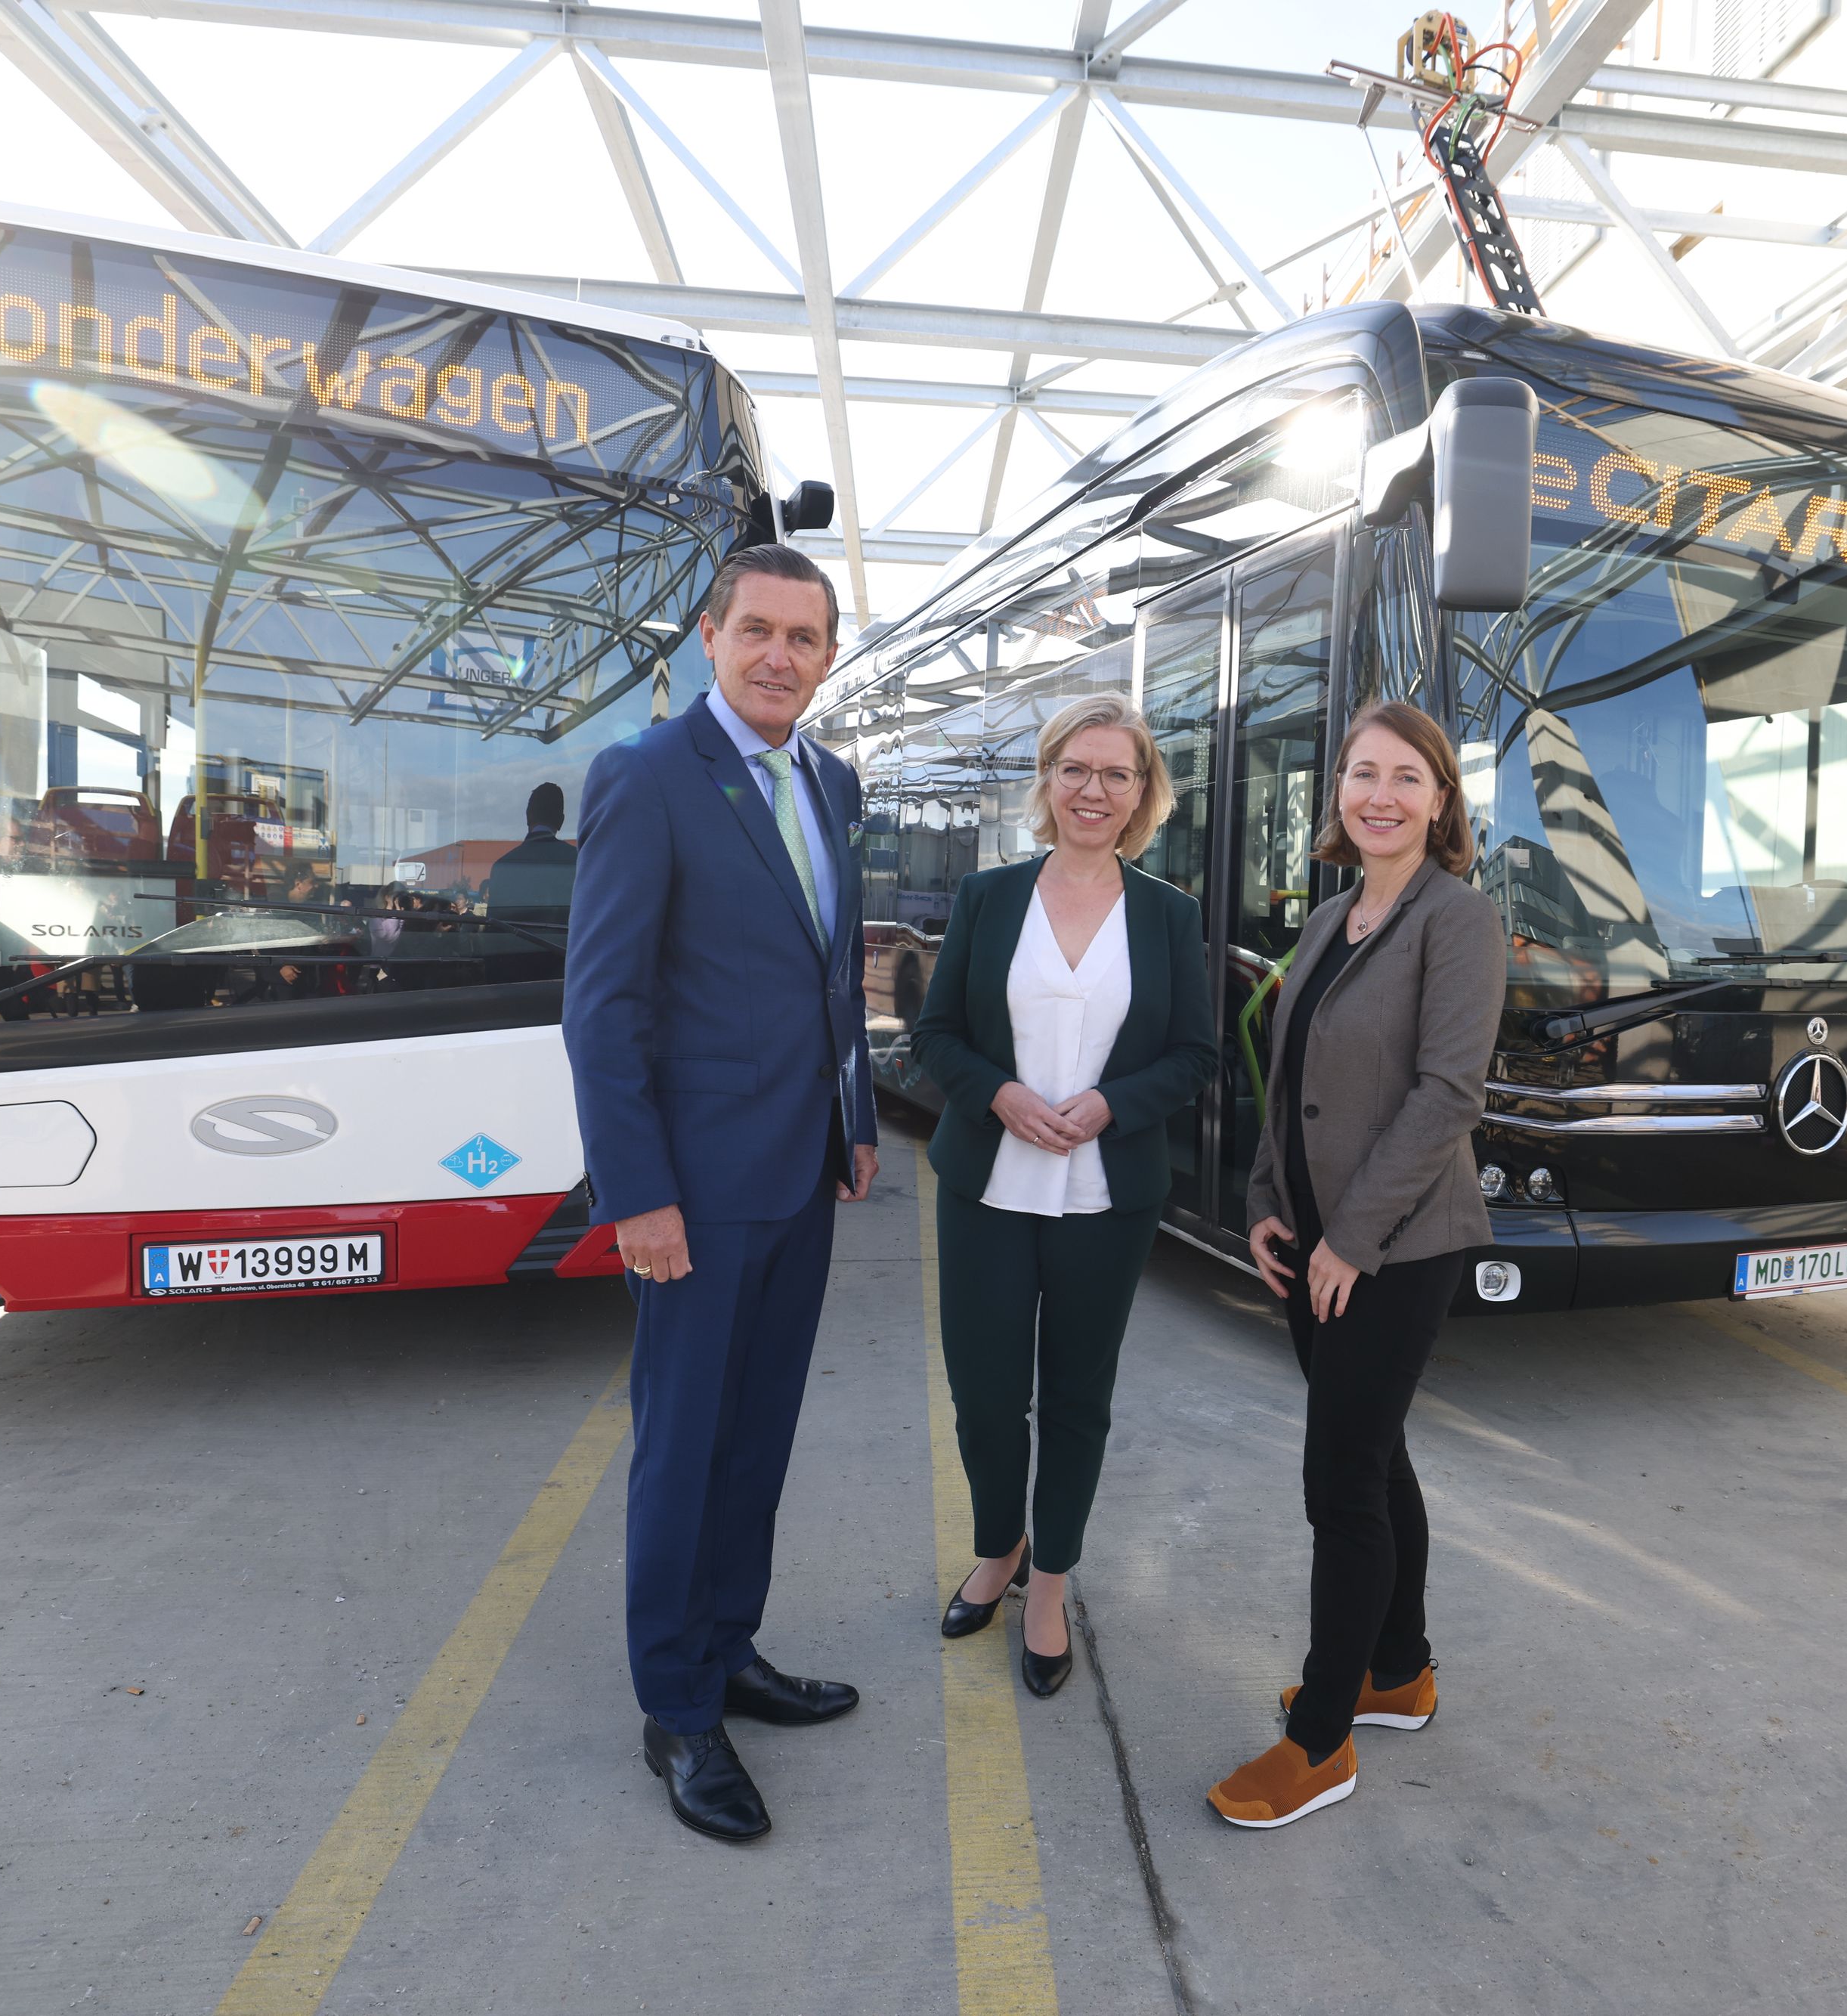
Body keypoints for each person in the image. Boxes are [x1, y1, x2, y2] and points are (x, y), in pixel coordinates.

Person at [562, 543, 878, 1846]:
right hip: (691, 1190)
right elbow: (603, 1006)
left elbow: (835, 972)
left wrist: (856, 1122)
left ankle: (730, 1646)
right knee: (683, 1444)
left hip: (800, 1173)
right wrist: (637, 1190)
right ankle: (677, 1708)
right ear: (710, 635)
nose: (779, 656)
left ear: (826, 653)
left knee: (756, 1438)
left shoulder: (833, 781)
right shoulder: (648, 775)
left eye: (805, 637)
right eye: (757, 630)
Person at [1207, 700, 1504, 1832]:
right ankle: (1400, 1667)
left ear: (1440, 800)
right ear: (1338, 791)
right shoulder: (1337, 915)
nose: (1379, 793)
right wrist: (1270, 1199)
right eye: (1360, 772)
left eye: (1405, 776)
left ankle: (1321, 1735)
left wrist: (1350, 1236)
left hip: (1396, 1244)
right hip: (1316, 1236)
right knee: (1376, 1461)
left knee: (1340, 1480)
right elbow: (1288, 1074)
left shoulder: (1455, 919)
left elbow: (1446, 1095)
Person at [911, 696, 1213, 1699]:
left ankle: (1048, 1582)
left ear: (1142, 794)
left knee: (1079, 1399)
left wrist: (1112, 1105)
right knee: (986, 1396)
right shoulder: (989, 898)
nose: (1093, 790)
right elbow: (938, 1030)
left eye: (1116, 774)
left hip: (1106, 1197)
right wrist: (997, 1092)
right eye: (1075, 769)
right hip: (988, 1188)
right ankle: (998, 1543)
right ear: (1048, 781)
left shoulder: (1168, 913)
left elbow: (1193, 1055)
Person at [483, 782, 578, 927]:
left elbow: (494, 929)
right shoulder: (578, 861)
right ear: (561, 821)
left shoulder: (503, 867)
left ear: (528, 816)